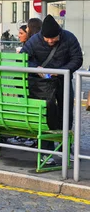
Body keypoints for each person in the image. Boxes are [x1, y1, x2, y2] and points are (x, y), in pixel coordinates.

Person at [20, 14, 83, 165]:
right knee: (46, 117)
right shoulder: (35, 40)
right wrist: (35, 68)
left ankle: (65, 148)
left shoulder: (69, 38)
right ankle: (46, 151)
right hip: (42, 85)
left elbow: (77, 59)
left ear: (59, 34)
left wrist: (61, 70)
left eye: (53, 38)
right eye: (46, 38)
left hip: (63, 81)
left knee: (66, 115)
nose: (49, 41)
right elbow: (23, 59)